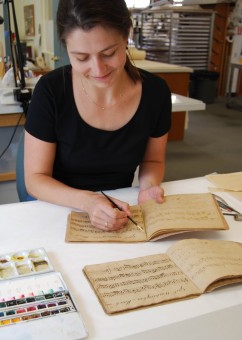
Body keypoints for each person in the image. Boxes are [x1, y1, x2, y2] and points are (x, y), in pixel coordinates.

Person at [24, 0, 171, 232]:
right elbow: (35, 179)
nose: (98, 70)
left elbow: (153, 160)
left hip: (120, 210)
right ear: (66, 48)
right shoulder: (51, 91)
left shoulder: (155, 93)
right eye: (82, 58)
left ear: (126, 36)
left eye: (109, 53)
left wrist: (149, 186)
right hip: (61, 209)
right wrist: (88, 201)